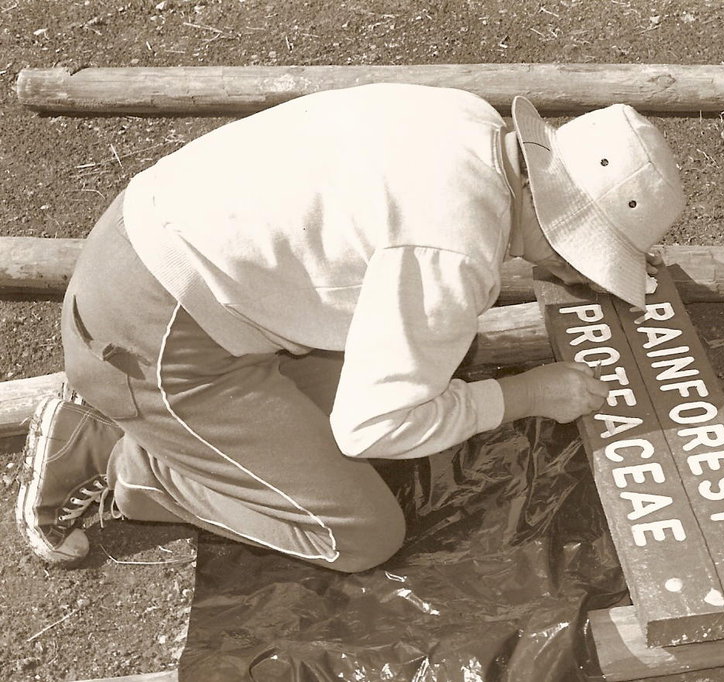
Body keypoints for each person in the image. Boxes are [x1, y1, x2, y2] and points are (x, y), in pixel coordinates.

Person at [15, 84, 685, 570]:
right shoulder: (453, 252)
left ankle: (171, 427)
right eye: (584, 260)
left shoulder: (464, 119)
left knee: (433, 371)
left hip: (145, 249)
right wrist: (522, 396)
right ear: (565, 221)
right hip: (149, 340)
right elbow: (375, 425)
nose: (578, 277)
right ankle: (111, 457)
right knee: (360, 533)